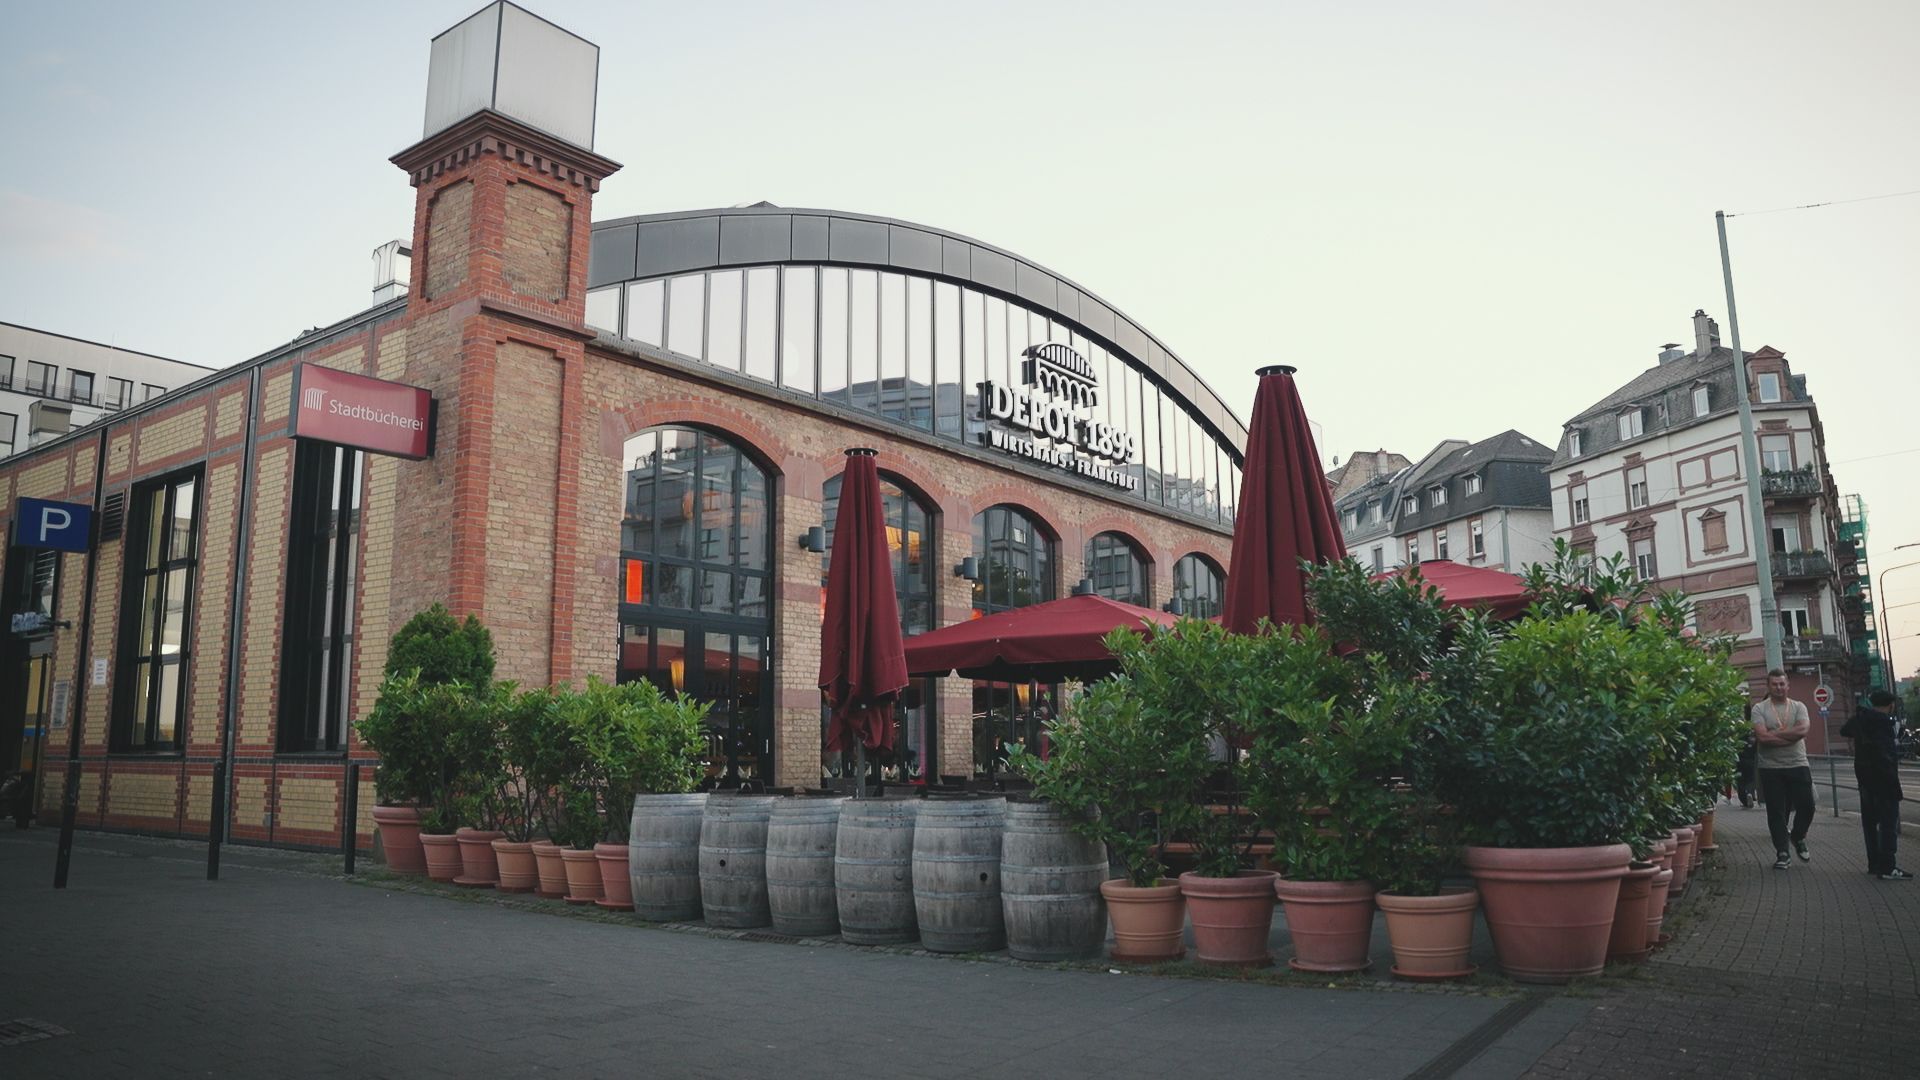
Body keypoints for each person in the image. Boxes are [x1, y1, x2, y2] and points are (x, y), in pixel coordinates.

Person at [1840, 691, 1909, 880]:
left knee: (1869, 822)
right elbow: (1886, 753)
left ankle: (1874, 863)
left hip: (1864, 778)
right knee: (1888, 823)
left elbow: (1844, 730)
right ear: (1891, 705)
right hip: (1884, 779)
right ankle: (1888, 866)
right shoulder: (1884, 722)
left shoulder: (1862, 719)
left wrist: (1860, 718)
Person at [1752, 669, 1816, 870]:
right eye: (1774, 684)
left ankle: (1797, 836)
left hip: (1798, 763)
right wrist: (1791, 735)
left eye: (1782, 684)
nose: (1779, 688)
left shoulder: (1799, 707)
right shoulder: (1759, 709)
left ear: (1788, 685)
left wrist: (1776, 734)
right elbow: (1762, 737)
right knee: (1777, 812)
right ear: (1768, 686)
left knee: (1807, 805)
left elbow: (1803, 730)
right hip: (1770, 768)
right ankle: (1782, 852)